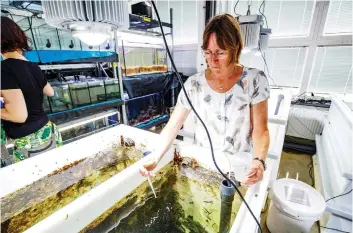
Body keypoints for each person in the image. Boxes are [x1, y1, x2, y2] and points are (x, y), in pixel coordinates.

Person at [140, 14, 270, 185]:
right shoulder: (194, 84)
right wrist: (156, 156)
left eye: (220, 53)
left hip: (239, 168)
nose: (212, 61)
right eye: (207, 52)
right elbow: (173, 126)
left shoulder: (254, 80)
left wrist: (259, 160)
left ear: (235, 49)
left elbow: (260, 130)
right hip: (202, 165)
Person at [1, 16, 62, 163]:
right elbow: (50, 92)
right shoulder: (33, 66)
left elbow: (19, 116)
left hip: (30, 143)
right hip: (50, 132)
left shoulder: (4, 70)